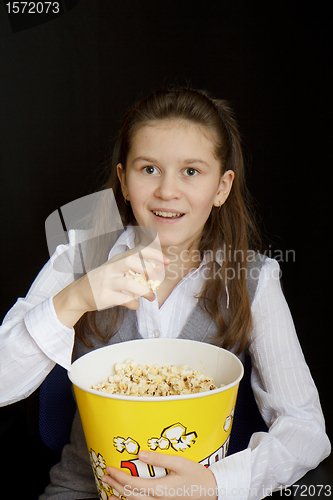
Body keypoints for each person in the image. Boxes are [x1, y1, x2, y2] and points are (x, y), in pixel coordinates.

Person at [0, 87, 330, 500]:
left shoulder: (253, 279)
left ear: (222, 187)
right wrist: (75, 298)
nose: (167, 191)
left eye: (191, 171)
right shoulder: (78, 259)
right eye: (149, 169)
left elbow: (306, 429)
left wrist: (214, 484)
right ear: (123, 180)